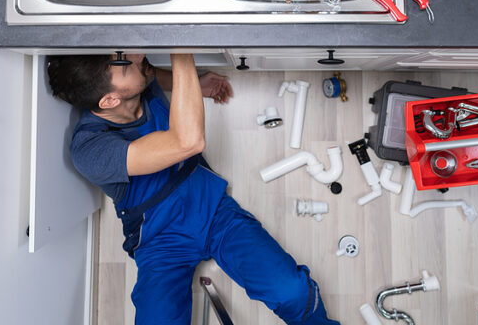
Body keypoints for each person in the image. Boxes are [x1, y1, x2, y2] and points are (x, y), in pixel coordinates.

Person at [46, 53, 339, 325]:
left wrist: (193, 84)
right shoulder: (90, 150)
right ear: (110, 100)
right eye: (125, 64)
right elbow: (188, 142)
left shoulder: (137, 84)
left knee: (291, 292)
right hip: (160, 240)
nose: (137, 56)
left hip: (212, 210)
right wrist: (182, 43)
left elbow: (148, 76)